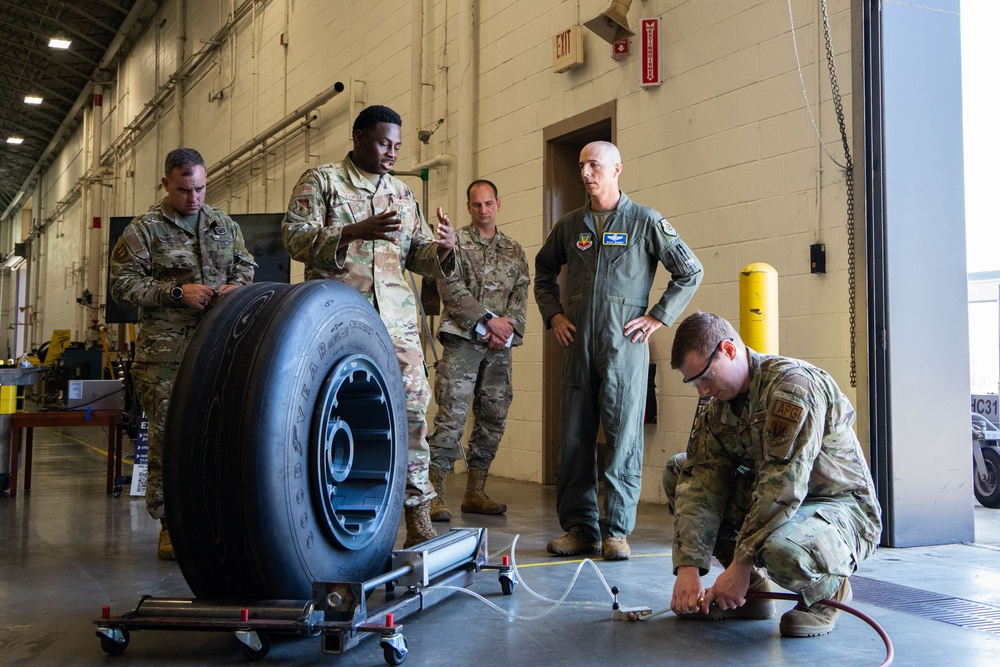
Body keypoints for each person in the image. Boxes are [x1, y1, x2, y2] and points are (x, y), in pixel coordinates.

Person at [281, 105, 456, 548]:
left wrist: (444, 250)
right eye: (383, 143)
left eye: (397, 146)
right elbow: (293, 237)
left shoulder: (400, 192)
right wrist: (353, 231)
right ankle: (330, 510)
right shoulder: (321, 181)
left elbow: (416, 253)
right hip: (337, 320)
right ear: (358, 137)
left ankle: (416, 510)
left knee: (414, 410)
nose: (391, 153)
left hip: (395, 322)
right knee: (333, 412)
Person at [663, 311, 882, 637]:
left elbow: (782, 485)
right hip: (781, 496)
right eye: (693, 382)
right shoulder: (718, 405)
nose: (702, 392)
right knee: (679, 471)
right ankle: (749, 593)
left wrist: (741, 562)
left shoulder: (792, 388)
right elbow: (700, 481)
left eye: (704, 377)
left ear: (729, 350)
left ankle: (827, 593)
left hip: (838, 507)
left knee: (779, 551)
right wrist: (688, 567)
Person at [534, 141, 703, 560]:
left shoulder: (645, 222)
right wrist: (554, 315)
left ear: (616, 169)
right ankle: (580, 529)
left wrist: (658, 316)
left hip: (623, 348)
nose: (586, 172)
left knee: (623, 440)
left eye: (594, 165)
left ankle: (616, 532)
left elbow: (689, 270)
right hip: (578, 346)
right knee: (573, 441)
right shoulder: (571, 226)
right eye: (582, 165)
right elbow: (543, 271)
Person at [110, 147, 256, 560]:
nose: (194, 198)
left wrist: (236, 287)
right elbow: (122, 286)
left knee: (220, 434)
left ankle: (216, 518)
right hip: (165, 355)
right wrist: (175, 292)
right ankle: (169, 524)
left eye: (200, 188)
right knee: (167, 440)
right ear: (166, 184)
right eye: (184, 189)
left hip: (219, 348)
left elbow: (246, 267)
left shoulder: (223, 224)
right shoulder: (145, 230)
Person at [427, 179, 530, 521]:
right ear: (469, 208)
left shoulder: (514, 250)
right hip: (463, 340)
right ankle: (436, 494)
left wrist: (507, 328)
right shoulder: (455, 244)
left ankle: (475, 491)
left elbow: (520, 295)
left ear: (498, 205)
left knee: (492, 416)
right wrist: (488, 323)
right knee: (452, 416)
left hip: (500, 347)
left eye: (488, 204)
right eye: (476, 205)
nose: (483, 210)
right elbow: (450, 290)